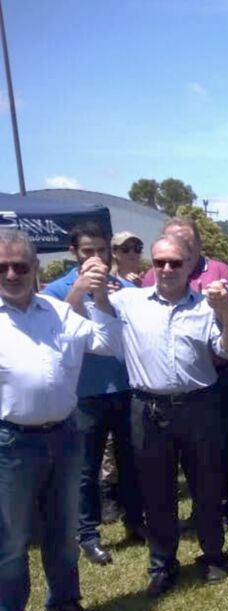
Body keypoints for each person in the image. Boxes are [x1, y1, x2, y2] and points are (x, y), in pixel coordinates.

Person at [0, 229, 121, 611]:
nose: (12, 273)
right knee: (11, 540)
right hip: (11, 442)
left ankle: (65, 602)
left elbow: (107, 343)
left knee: (63, 529)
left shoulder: (56, 310)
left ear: (35, 268)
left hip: (65, 435)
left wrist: (102, 299)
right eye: (3, 267)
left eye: (20, 265)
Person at [108, 234, 228, 596]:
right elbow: (85, 315)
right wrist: (87, 281)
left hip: (199, 405)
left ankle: (213, 555)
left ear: (190, 266)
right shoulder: (128, 301)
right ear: (151, 264)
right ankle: (162, 564)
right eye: (160, 262)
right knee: (157, 490)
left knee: (207, 485)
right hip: (148, 407)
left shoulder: (206, 306)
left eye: (175, 262)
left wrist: (226, 312)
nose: (167, 269)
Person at [42, 221, 145, 564]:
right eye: (88, 251)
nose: (96, 257)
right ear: (74, 253)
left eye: (102, 250)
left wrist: (107, 293)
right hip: (85, 392)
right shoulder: (58, 290)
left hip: (125, 384)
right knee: (86, 468)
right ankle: (87, 533)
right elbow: (57, 328)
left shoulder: (121, 286)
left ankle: (135, 522)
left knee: (131, 461)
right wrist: (81, 290)